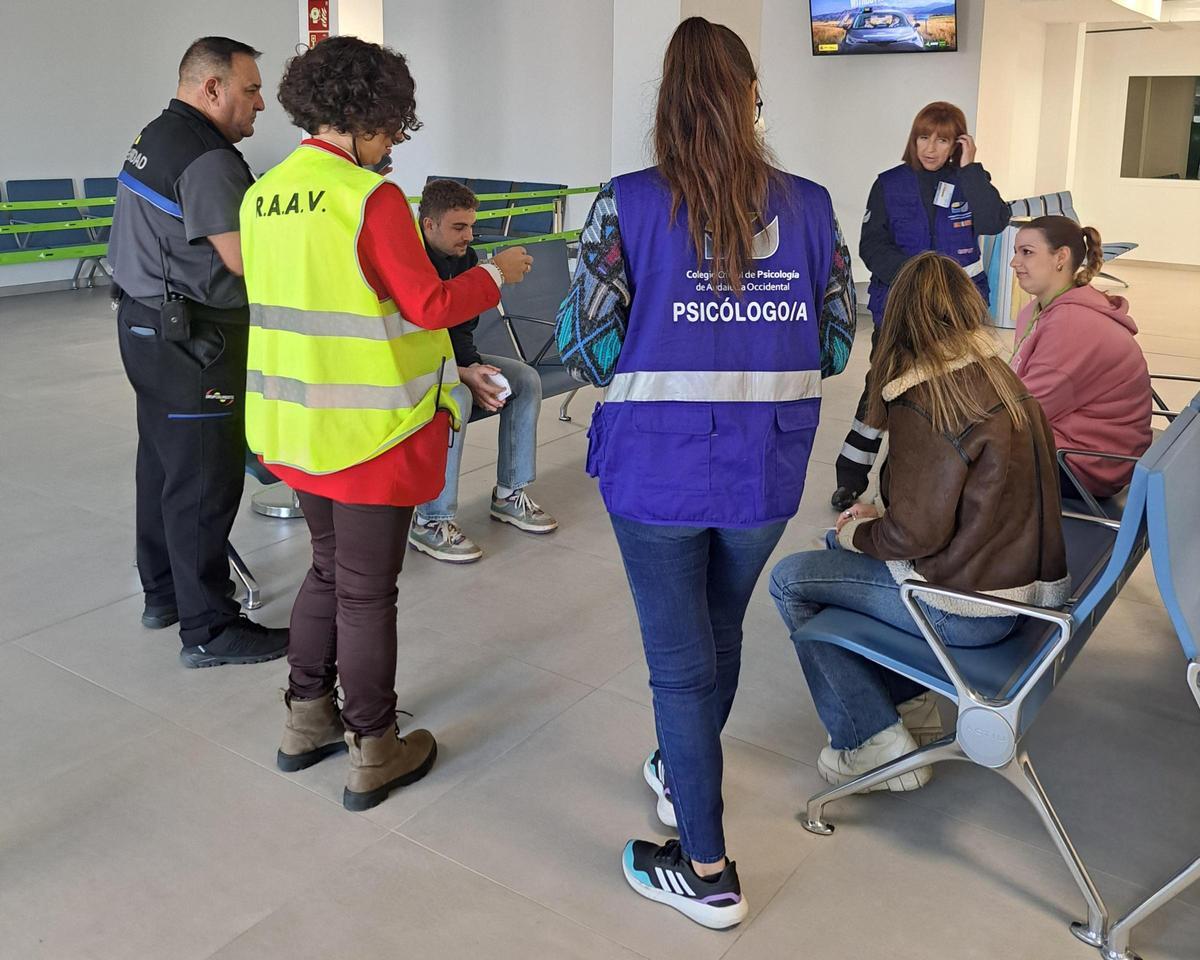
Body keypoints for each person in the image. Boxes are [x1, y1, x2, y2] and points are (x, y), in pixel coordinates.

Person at [556, 17, 856, 930]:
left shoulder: (625, 204)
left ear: (668, 105)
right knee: (717, 635)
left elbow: (588, 350)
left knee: (680, 665)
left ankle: (708, 868)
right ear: (751, 97)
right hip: (765, 470)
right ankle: (678, 770)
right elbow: (839, 342)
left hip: (656, 475)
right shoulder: (810, 205)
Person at [239, 37, 532, 811]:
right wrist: (495, 275)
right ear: (366, 116)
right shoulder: (367, 199)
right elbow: (429, 304)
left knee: (328, 571)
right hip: (372, 430)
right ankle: (374, 744)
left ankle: (306, 720)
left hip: (298, 425)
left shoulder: (264, 192)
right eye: (393, 128)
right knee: (367, 593)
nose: (395, 144)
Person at [771, 252, 1068, 790]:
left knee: (791, 580)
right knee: (839, 554)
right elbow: (969, 501)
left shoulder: (924, 399)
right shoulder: (997, 376)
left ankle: (870, 743)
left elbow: (915, 536)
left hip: (966, 608)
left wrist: (855, 530)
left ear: (899, 317)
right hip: (1019, 589)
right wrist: (879, 517)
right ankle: (913, 709)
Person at [109, 36, 288, 668]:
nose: (261, 104)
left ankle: (163, 594)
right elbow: (243, 261)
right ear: (211, 88)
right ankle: (209, 629)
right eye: (251, 89)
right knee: (205, 481)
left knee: (161, 465)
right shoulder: (207, 157)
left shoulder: (156, 134)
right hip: (194, 342)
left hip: (142, 325)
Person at [831, 101, 1010, 511]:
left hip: (958, 313)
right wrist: (917, 277)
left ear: (957, 144)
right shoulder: (889, 184)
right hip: (899, 310)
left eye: (943, 140)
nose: (931, 148)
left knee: (954, 394)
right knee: (881, 389)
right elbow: (871, 246)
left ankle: (953, 478)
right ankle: (851, 477)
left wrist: (970, 168)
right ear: (913, 140)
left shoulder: (968, 181)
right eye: (924, 137)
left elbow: (993, 221)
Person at [408, 179, 557, 563]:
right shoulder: (410, 263)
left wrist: (473, 367)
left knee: (524, 379)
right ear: (428, 224)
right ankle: (430, 521)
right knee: (454, 397)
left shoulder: (468, 260)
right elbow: (415, 340)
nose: (468, 236)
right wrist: (463, 375)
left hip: (456, 363)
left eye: (471, 226)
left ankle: (510, 493)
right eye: (459, 227)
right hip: (416, 371)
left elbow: (461, 330)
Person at [1010, 216, 1152, 499]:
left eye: (1026, 252)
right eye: (1016, 252)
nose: (1014, 262)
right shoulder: (1047, 308)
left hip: (1085, 464)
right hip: (1076, 443)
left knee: (953, 454)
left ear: (1061, 257)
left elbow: (1021, 411)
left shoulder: (1072, 324)